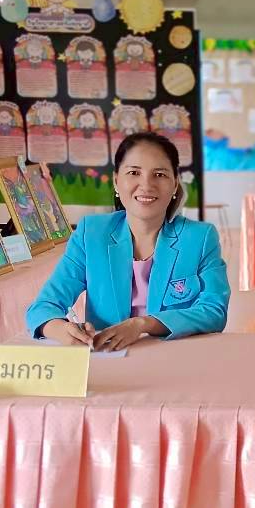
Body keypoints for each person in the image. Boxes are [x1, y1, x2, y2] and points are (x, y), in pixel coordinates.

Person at [26, 132, 230, 350]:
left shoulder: (200, 237)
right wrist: (60, 329)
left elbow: (214, 311)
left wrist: (143, 324)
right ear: (116, 181)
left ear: (174, 184)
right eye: (134, 172)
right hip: (108, 360)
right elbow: (43, 306)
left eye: (159, 174)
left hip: (175, 356)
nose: (146, 185)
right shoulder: (91, 234)